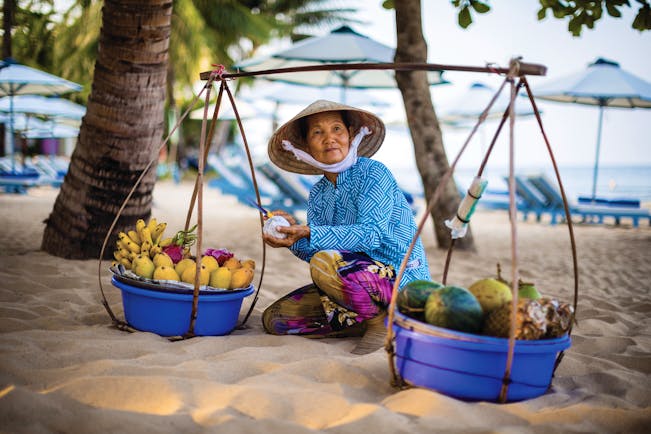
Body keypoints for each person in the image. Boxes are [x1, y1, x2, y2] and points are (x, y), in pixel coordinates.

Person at [261, 100, 430, 354]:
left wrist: (310, 232)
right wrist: (292, 238)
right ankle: (364, 319)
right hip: (355, 284)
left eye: (337, 129)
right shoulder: (318, 193)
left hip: (401, 282)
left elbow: (371, 236)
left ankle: (380, 323)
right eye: (317, 132)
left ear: (351, 135)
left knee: (325, 262)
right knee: (276, 320)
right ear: (306, 146)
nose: (329, 138)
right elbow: (317, 253)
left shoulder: (374, 173)